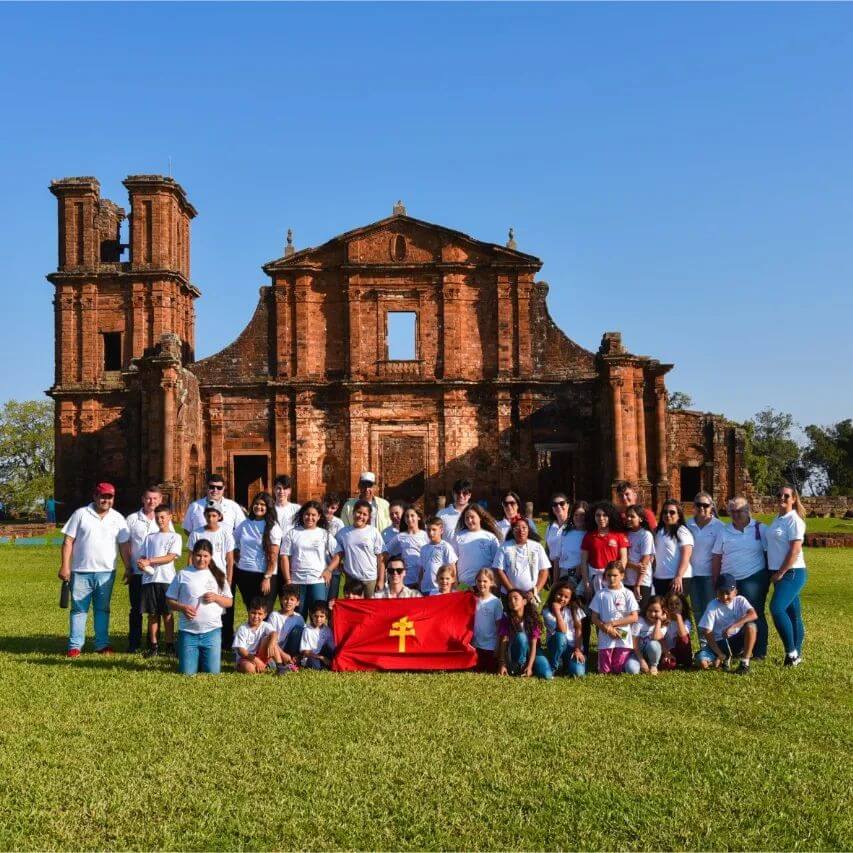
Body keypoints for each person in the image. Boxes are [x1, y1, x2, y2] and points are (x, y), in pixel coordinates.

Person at [58, 483, 131, 657]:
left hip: (106, 572)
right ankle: (75, 646)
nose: (106, 500)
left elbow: (123, 544)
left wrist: (128, 566)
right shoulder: (81, 514)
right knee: (79, 610)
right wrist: (65, 565)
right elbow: (68, 540)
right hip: (81, 571)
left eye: (109, 497)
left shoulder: (118, 518)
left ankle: (102, 644)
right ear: (95, 496)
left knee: (102, 610)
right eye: (102, 496)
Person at [711, 496, 769, 659]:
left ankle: (759, 651)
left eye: (740, 511)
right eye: (733, 511)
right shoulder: (724, 531)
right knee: (732, 614)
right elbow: (716, 556)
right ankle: (738, 649)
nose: (736, 514)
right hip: (730, 579)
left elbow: (768, 553)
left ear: (747, 510)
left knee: (755, 613)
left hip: (754, 577)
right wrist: (716, 580)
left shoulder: (760, 528)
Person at [166, 539, 233, 675]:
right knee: (187, 674)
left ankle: (203, 659)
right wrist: (182, 607)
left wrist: (216, 597)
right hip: (188, 632)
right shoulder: (182, 574)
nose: (201, 559)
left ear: (211, 557)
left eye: (205, 556)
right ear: (193, 555)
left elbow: (229, 602)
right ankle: (192, 657)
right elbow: (169, 600)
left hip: (212, 632)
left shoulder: (218, 575)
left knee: (212, 674)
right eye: (198, 555)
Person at [124, 484, 172, 653]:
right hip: (138, 572)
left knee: (158, 609)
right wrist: (128, 566)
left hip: (159, 575)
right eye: (148, 498)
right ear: (143, 500)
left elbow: (170, 545)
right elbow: (126, 544)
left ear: (161, 500)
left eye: (155, 498)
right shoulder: (132, 519)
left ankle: (155, 643)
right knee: (136, 608)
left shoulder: (165, 519)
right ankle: (134, 642)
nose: (152, 501)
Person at [768, 485, 808, 666]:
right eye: (779, 495)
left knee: (776, 608)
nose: (782, 498)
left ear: (793, 499)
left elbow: (794, 551)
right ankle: (796, 656)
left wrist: (781, 572)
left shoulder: (794, 520)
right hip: (779, 572)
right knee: (793, 613)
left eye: (786, 496)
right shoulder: (778, 519)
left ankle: (791, 652)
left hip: (792, 572)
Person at [186, 502, 236, 645]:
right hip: (199, 575)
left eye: (214, 515)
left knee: (219, 610)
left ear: (219, 517)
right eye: (208, 515)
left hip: (218, 577)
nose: (211, 518)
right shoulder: (196, 533)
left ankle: (219, 642)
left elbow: (230, 560)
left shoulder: (225, 533)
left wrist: (229, 580)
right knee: (200, 606)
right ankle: (197, 637)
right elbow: (190, 557)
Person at [137, 504, 182, 658]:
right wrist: (142, 562)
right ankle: (154, 645)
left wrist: (149, 561)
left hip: (166, 580)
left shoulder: (175, 537)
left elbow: (170, 557)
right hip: (149, 580)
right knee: (152, 614)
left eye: (163, 517)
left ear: (170, 517)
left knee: (167, 614)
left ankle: (169, 645)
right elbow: (143, 555)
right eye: (157, 517)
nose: (160, 520)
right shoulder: (150, 537)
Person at [696, 573, 757, 675]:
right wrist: (719, 653)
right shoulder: (712, 605)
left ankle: (744, 663)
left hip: (736, 640)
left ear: (735, 592)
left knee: (751, 626)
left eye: (727, 592)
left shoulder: (740, 600)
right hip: (719, 643)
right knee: (701, 662)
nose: (724, 597)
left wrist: (733, 626)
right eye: (720, 593)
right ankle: (722, 658)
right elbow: (707, 631)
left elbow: (753, 614)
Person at [233, 492, 282, 614]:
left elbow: (273, 556)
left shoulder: (273, 527)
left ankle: (266, 634)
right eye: (256, 504)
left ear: (269, 507)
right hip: (245, 573)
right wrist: (237, 553)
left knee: (263, 612)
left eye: (262, 504)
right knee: (251, 610)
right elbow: (232, 541)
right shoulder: (245, 524)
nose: (258, 507)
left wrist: (267, 577)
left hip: (265, 575)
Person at [589, 561, 640, 675]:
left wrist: (612, 623)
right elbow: (594, 618)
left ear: (622, 575)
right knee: (604, 670)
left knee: (618, 669)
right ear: (605, 576)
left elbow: (634, 617)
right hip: (605, 635)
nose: (612, 578)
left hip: (623, 635)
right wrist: (606, 628)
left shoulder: (628, 594)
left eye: (615, 575)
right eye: (609, 575)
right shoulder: (600, 594)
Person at [686, 491, 724, 644]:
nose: (702, 508)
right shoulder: (688, 524)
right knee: (697, 609)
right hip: (692, 574)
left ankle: (716, 642)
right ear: (694, 507)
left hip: (710, 575)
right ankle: (703, 643)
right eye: (698, 505)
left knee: (711, 610)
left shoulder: (719, 526)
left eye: (705, 505)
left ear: (711, 507)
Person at [280, 500, 329, 616]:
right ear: (302, 515)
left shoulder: (324, 533)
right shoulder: (292, 533)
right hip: (297, 581)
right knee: (297, 616)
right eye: (307, 514)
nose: (310, 517)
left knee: (318, 615)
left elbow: (338, 553)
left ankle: (315, 635)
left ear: (319, 517)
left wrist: (329, 570)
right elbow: (284, 557)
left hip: (317, 580)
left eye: (313, 515)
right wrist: (288, 580)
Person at [328, 499, 385, 597]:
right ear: (353, 512)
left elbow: (381, 557)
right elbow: (336, 553)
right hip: (351, 578)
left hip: (370, 578)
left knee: (370, 609)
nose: (361, 516)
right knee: (352, 609)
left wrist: (380, 580)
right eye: (359, 512)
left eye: (364, 514)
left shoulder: (373, 532)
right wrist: (340, 566)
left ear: (368, 517)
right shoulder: (343, 533)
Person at [497, 589, 553, 679]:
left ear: (524, 601)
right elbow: (503, 641)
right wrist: (502, 663)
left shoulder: (532, 618)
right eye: (509, 600)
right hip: (514, 652)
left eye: (515, 598)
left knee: (547, 675)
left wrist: (530, 666)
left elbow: (534, 645)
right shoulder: (507, 618)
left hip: (532, 651)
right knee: (521, 637)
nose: (512, 601)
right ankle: (519, 667)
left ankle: (530, 668)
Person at [580, 502, 628, 603]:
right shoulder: (588, 536)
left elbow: (624, 558)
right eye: (598, 515)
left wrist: (617, 576)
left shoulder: (618, 535)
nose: (601, 518)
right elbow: (583, 561)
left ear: (611, 517)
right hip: (594, 578)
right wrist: (586, 583)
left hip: (613, 579)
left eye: (605, 515)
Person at [493, 517, 550, 602]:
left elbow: (544, 571)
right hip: (510, 594)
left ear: (528, 529)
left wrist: (535, 591)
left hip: (531, 595)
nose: (521, 530)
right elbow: (499, 570)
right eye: (517, 528)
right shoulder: (504, 547)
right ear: (512, 530)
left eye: (524, 527)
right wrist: (512, 591)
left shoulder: (537, 547)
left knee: (531, 615)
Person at [542, 579, 586, 677]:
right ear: (554, 594)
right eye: (559, 594)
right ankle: (554, 666)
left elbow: (579, 631)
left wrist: (578, 650)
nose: (562, 598)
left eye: (566, 597)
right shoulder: (547, 611)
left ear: (570, 599)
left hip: (572, 648)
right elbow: (562, 630)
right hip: (556, 645)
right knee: (561, 637)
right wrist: (557, 611)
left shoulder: (575, 609)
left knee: (578, 673)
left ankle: (567, 664)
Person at [452, 504, 501, 587]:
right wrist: (457, 584)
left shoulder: (490, 538)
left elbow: (496, 564)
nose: (469, 520)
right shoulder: (458, 537)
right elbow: (452, 562)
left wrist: (494, 584)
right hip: (464, 585)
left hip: (485, 586)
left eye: (472, 517)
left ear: (480, 517)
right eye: (466, 518)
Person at [653, 500, 694, 598]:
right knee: (663, 611)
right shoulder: (658, 531)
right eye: (665, 512)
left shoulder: (682, 532)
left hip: (678, 578)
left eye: (672, 512)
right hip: (660, 578)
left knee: (675, 611)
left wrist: (678, 576)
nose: (668, 515)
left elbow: (686, 556)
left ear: (679, 515)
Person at [384, 505, 428, 590]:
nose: (409, 518)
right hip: (406, 581)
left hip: (423, 581)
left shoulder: (426, 535)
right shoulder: (400, 536)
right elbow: (385, 552)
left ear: (418, 517)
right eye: (407, 516)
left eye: (412, 515)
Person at [266, 584, 305, 671]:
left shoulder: (299, 618)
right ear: (281, 600)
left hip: (290, 650)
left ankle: (292, 660)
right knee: (271, 664)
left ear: (297, 602)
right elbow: (269, 637)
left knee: (298, 630)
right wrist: (283, 655)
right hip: (276, 648)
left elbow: (302, 639)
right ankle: (282, 661)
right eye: (286, 599)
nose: (288, 602)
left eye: (292, 599)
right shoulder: (274, 615)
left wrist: (298, 655)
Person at [233, 598, 278, 674]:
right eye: (253, 613)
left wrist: (271, 643)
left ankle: (279, 666)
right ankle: (264, 667)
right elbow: (241, 651)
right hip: (246, 658)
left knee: (270, 638)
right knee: (249, 668)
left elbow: (274, 633)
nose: (256, 616)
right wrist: (256, 660)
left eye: (260, 614)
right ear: (248, 612)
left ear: (265, 615)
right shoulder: (242, 629)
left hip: (260, 655)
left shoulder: (265, 625)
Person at [472, 568, 503, 673]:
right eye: (479, 581)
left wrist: (497, 648)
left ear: (491, 583)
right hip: (475, 646)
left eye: (485, 581)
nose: (482, 584)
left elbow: (499, 627)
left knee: (490, 670)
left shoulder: (495, 602)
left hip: (490, 647)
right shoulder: (472, 600)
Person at [624, 503, 655, 607]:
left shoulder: (645, 535)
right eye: (627, 516)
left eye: (632, 516)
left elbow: (644, 563)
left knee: (641, 615)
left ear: (640, 519)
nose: (628, 518)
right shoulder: (625, 534)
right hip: (626, 581)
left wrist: (637, 585)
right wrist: (632, 566)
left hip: (642, 582)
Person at [417, 517, 458, 594]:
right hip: (425, 589)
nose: (430, 533)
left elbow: (452, 568)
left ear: (441, 530)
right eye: (428, 530)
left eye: (434, 530)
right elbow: (421, 569)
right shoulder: (423, 548)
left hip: (439, 589)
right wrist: (419, 585)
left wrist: (453, 587)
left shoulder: (445, 546)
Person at [555, 500, 588, 587]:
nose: (578, 518)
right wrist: (555, 581)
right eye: (576, 515)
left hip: (582, 576)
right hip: (564, 575)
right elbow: (557, 558)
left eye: (582, 515)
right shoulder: (564, 533)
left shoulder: (590, 535)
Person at [632, 596, 667, 675]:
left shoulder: (663, 626)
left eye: (656, 611)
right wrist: (641, 660)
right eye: (650, 610)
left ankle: (653, 665)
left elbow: (656, 638)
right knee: (632, 670)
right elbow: (635, 644)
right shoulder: (640, 621)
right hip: (637, 653)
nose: (652, 614)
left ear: (663, 612)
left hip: (653, 654)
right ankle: (643, 664)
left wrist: (659, 620)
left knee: (653, 644)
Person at [661, 591, 694, 670]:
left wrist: (678, 616)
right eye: (671, 604)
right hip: (668, 652)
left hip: (682, 653)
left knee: (684, 638)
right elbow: (660, 638)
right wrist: (667, 653)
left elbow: (683, 636)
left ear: (683, 606)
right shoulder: (664, 620)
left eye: (677, 604)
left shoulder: (685, 621)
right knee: (668, 665)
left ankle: (686, 662)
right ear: (667, 606)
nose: (674, 606)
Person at [299, 602, 335, 670]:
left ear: (326, 617)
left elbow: (331, 647)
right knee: (314, 664)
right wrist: (322, 658)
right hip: (312, 656)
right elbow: (305, 652)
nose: (318, 619)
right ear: (311, 615)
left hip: (324, 654)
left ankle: (329, 664)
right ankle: (323, 666)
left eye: (321, 616)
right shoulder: (307, 630)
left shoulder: (327, 630)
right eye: (316, 616)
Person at [322, 493, 345, 598]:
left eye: (333, 508)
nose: (329, 510)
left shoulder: (339, 523)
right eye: (327, 506)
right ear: (323, 504)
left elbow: (342, 544)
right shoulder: (316, 519)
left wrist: (340, 561)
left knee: (332, 598)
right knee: (321, 597)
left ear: (337, 508)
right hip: (320, 564)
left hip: (334, 564)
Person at [437, 478, 472, 543]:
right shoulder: (442, 514)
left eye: (464, 493)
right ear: (453, 493)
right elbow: (434, 537)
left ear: (469, 495)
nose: (461, 495)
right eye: (458, 492)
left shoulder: (476, 515)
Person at [545, 492, 570, 570]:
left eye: (562, 503)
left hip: (568, 567)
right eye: (555, 505)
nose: (558, 506)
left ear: (568, 506)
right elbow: (547, 549)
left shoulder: (572, 526)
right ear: (552, 509)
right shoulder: (550, 527)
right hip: (552, 567)